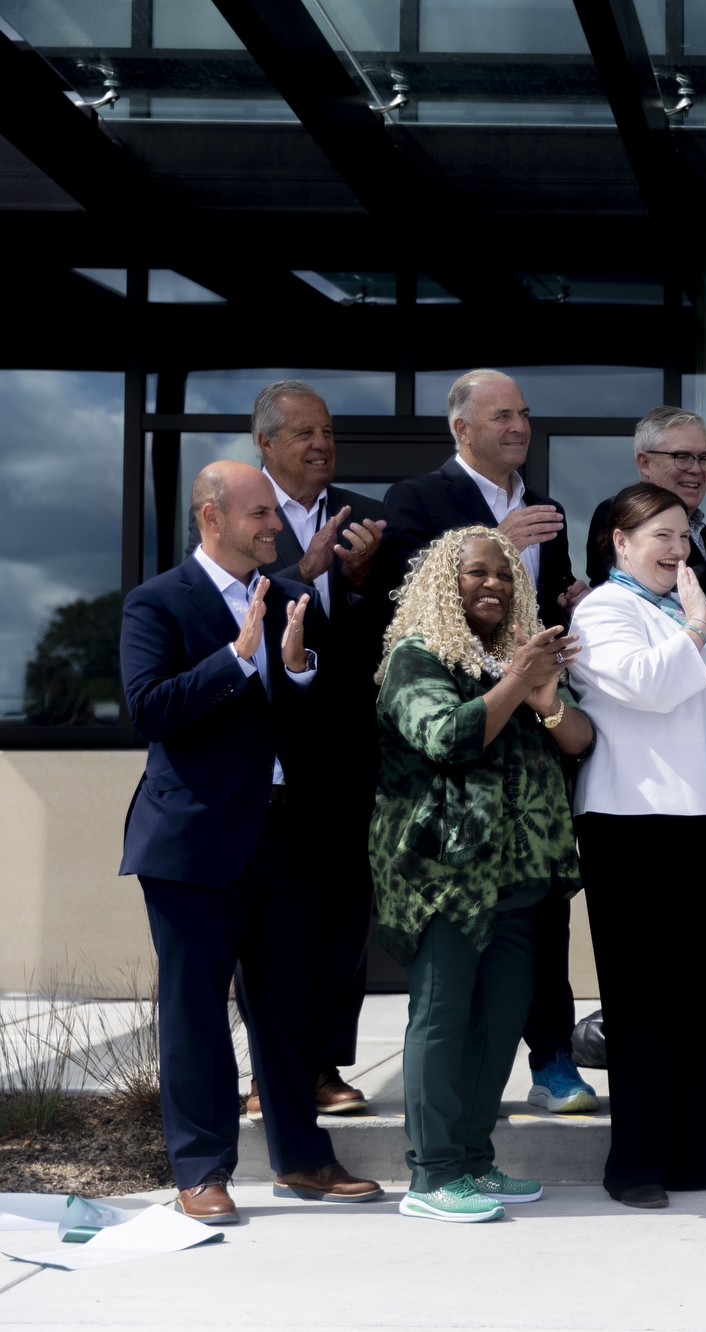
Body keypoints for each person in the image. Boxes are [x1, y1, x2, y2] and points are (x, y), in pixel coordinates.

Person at [119, 460, 383, 1225]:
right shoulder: (156, 602)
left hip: (286, 837)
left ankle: (302, 1159)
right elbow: (149, 709)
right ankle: (201, 1169)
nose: (276, 525)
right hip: (194, 841)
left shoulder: (295, 596)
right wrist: (236, 658)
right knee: (196, 1012)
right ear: (212, 517)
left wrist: (297, 670)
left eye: (274, 514)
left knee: (289, 1006)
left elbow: (327, 718)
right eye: (261, 513)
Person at [379, 369, 597, 1116]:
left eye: (524, 414)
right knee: (458, 974)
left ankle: (553, 1060)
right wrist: (498, 542)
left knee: (539, 922)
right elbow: (405, 590)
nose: (519, 426)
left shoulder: (546, 505)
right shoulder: (418, 498)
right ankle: (450, 1133)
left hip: (534, 732)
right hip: (461, 758)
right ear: (461, 428)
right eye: (501, 415)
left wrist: (571, 599)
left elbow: (542, 601)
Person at [370, 526, 595, 1222]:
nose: (493, 583)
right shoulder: (416, 659)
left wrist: (545, 698)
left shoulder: (518, 661)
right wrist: (518, 681)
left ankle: (472, 1160)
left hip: (520, 877)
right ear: (447, 583)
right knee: (444, 1020)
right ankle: (431, 1176)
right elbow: (448, 738)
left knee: (498, 1024)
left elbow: (580, 741)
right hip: (446, 876)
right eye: (476, 573)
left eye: (504, 574)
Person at [569, 483, 706, 1206]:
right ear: (619, 543)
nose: (677, 549)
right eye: (660, 534)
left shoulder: (689, 610)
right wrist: (696, 625)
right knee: (645, 1002)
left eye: (684, 535)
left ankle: (694, 1153)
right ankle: (634, 1164)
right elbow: (649, 687)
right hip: (637, 827)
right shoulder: (604, 610)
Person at [249, 379, 389, 1119]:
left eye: (327, 431)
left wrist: (359, 582)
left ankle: (325, 1066)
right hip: (269, 753)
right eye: (304, 432)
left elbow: (392, 624)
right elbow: (221, 607)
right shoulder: (240, 510)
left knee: (341, 911)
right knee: (273, 921)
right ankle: (272, 1070)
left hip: (346, 751)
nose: (321, 444)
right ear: (266, 443)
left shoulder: (365, 515)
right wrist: (300, 575)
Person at [581, 406, 706, 623]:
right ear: (644, 463)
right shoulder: (615, 513)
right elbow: (639, 592)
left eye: (703, 458)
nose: (696, 469)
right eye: (682, 457)